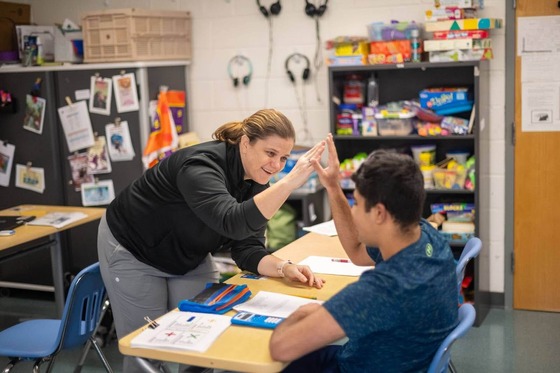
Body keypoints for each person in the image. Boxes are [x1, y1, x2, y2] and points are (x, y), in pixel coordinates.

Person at [98, 109, 326, 372]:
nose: (276, 165)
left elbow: (247, 249)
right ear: (245, 143)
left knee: (208, 338)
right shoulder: (200, 165)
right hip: (134, 249)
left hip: (188, 253)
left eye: (284, 158)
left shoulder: (258, 181)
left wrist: (284, 268)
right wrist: (288, 183)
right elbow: (231, 220)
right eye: (270, 153)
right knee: (146, 348)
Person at [269, 134, 458, 372]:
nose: (354, 212)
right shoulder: (427, 236)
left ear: (379, 213)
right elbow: (357, 253)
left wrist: (301, 314)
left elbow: (280, 347)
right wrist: (332, 185)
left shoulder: (382, 290)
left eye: (356, 204)